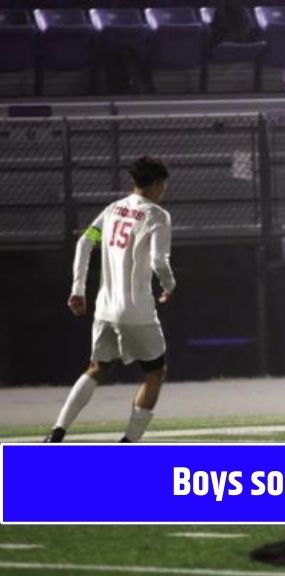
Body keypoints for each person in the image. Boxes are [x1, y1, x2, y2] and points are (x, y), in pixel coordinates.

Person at [44, 157, 176, 443]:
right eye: (164, 185)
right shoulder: (157, 215)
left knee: (97, 368)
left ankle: (57, 432)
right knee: (155, 373)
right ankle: (128, 444)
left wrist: (78, 289)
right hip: (138, 311)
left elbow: (85, 242)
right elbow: (158, 260)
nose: (164, 191)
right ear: (155, 185)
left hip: (105, 309)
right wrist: (168, 284)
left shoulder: (113, 209)